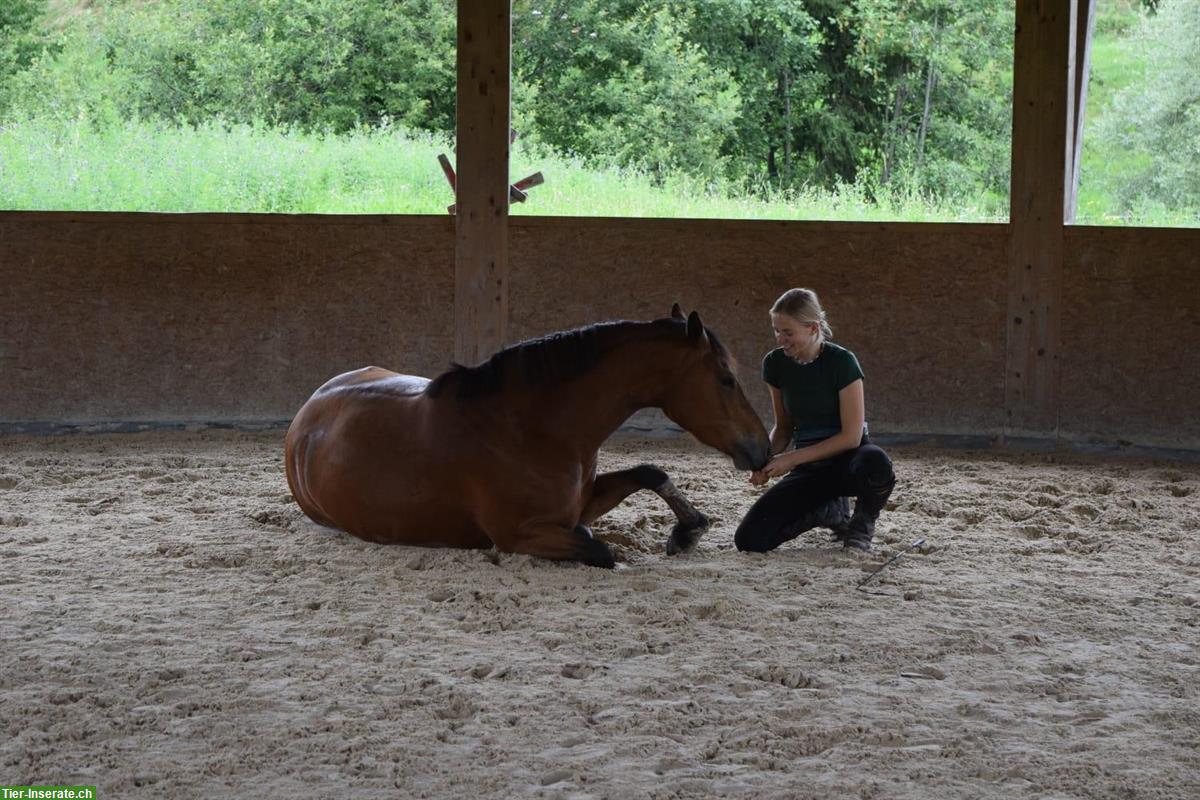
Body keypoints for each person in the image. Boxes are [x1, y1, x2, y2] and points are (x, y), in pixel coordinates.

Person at [735, 288, 895, 553]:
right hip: (810, 469)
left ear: (812, 328)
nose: (780, 339)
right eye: (776, 330)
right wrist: (762, 462)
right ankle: (827, 512)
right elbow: (784, 429)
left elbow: (851, 437)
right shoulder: (775, 364)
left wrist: (790, 459)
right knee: (750, 540)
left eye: (788, 332)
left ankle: (861, 526)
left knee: (876, 462)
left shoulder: (843, 362)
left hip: (849, 462)